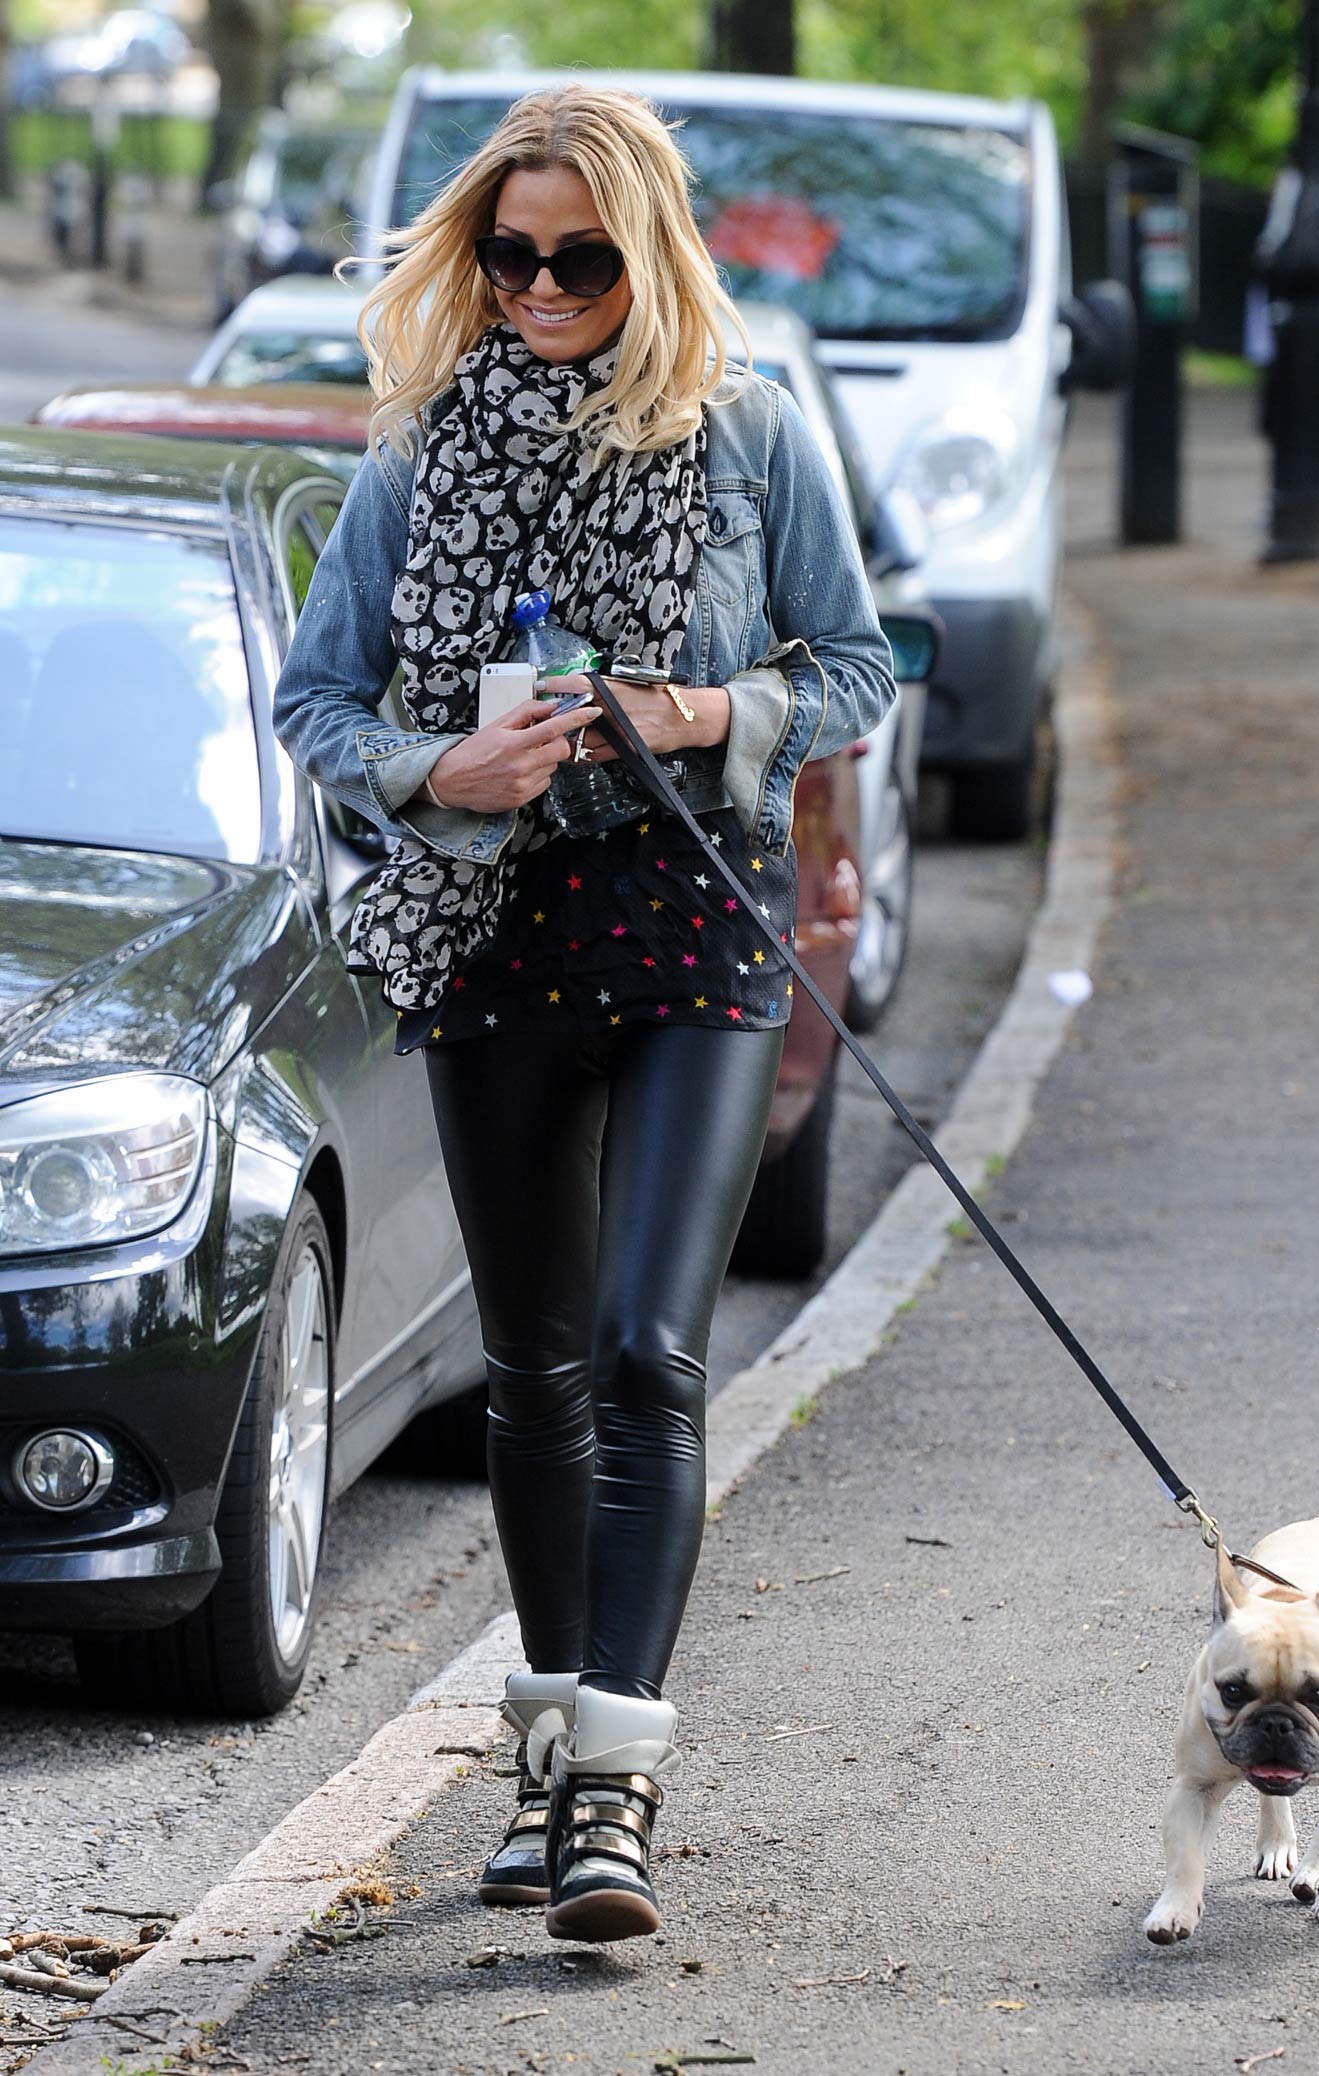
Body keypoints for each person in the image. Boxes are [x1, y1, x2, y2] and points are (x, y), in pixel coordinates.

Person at [272, 83, 895, 1946]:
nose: (540, 284)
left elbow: (854, 660)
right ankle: (549, 1782)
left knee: (649, 1352)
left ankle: (612, 1782)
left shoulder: (752, 440)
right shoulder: (412, 461)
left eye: (581, 256)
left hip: (696, 917)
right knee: (532, 1375)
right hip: (491, 925)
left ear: (652, 257)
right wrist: (438, 770)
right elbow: (318, 710)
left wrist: (710, 715)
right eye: (510, 252)